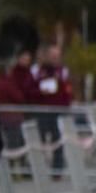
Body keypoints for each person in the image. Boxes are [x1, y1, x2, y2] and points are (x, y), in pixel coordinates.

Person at [32, 44, 72, 172]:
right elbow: (30, 89)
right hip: (41, 111)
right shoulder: (36, 70)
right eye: (52, 55)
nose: (55, 58)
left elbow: (68, 91)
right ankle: (39, 168)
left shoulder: (63, 71)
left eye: (57, 56)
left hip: (57, 111)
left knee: (58, 140)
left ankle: (57, 169)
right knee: (39, 139)